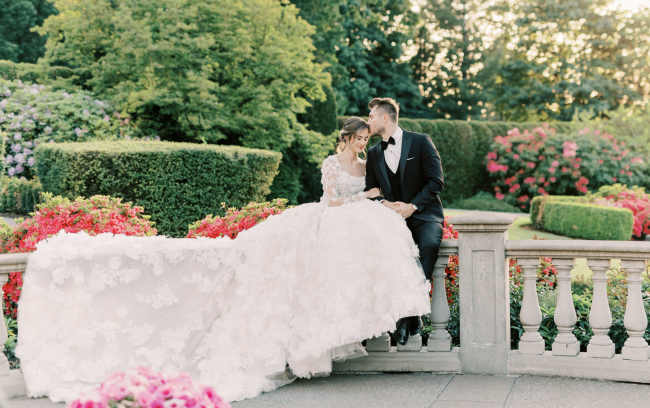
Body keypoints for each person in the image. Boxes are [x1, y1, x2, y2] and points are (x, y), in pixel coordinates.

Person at [17, 117, 431, 404]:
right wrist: (365, 197)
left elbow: (381, 188)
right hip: (328, 214)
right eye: (358, 140)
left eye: (365, 140)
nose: (362, 145)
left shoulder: (367, 164)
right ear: (345, 139)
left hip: (352, 225)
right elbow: (332, 199)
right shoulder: (331, 163)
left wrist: (378, 198)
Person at [366, 97, 445, 345]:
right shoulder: (374, 153)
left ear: (385, 117)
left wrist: (413, 206)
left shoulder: (421, 142)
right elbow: (371, 189)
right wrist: (386, 205)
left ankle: (407, 316)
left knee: (429, 246)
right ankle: (409, 317)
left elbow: (436, 181)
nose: (368, 121)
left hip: (424, 214)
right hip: (390, 221)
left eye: (371, 116)